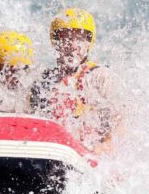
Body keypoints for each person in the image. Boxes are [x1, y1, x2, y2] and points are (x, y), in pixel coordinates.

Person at [30, 8, 122, 151]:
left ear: (89, 43)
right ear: (55, 42)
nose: (72, 46)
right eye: (65, 38)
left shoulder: (100, 77)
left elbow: (120, 121)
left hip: (93, 151)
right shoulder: (43, 82)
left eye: (79, 39)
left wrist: (105, 145)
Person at [0, 30, 35, 113]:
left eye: (15, 72)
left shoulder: (38, 96)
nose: (7, 78)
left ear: (26, 71)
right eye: (1, 71)